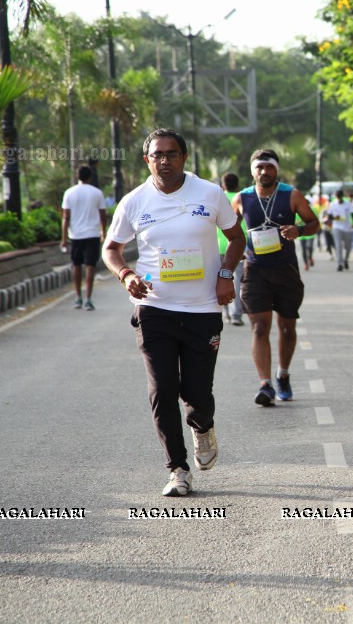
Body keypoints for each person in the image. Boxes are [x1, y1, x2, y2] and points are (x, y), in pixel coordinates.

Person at [102, 128, 246, 497]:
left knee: (197, 392)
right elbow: (112, 248)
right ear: (147, 159)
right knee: (162, 388)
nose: (164, 161)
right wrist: (126, 274)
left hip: (202, 309)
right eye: (157, 155)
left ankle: (202, 427)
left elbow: (236, 238)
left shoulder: (209, 193)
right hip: (154, 308)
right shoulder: (134, 201)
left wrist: (226, 275)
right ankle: (178, 469)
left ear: (184, 157)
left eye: (171, 154)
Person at [234, 149, 321, 405]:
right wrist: (235, 251)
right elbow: (229, 229)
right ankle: (265, 384)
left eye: (269, 167)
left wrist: (300, 230)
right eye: (259, 167)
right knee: (260, 327)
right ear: (253, 171)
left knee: (287, 327)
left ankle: (282, 374)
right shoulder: (242, 198)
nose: (264, 172)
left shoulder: (291, 194)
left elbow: (314, 223)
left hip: (286, 271)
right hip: (255, 270)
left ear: (276, 170)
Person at [60, 165, 107, 310]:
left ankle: (78, 297)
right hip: (92, 234)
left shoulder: (69, 193)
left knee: (76, 265)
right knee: (90, 266)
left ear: (77, 176)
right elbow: (103, 215)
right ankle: (88, 298)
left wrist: (63, 238)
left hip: (75, 235)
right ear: (90, 177)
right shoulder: (97, 193)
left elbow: (65, 217)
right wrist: (103, 233)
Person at [217, 172, 247, 326]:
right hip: (237, 247)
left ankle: (225, 312)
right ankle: (236, 314)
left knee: (220, 279)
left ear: (223, 185)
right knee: (237, 282)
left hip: (218, 246)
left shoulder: (217, 197)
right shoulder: (242, 198)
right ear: (237, 184)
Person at [325, 189, 353, 271]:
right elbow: (329, 216)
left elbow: (352, 214)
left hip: (347, 228)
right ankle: (339, 264)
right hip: (337, 227)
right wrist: (334, 218)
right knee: (338, 246)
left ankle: (346, 259)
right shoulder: (333, 204)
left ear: (342, 196)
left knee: (348, 247)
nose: (338, 197)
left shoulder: (348, 204)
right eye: (337, 195)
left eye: (339, 195)